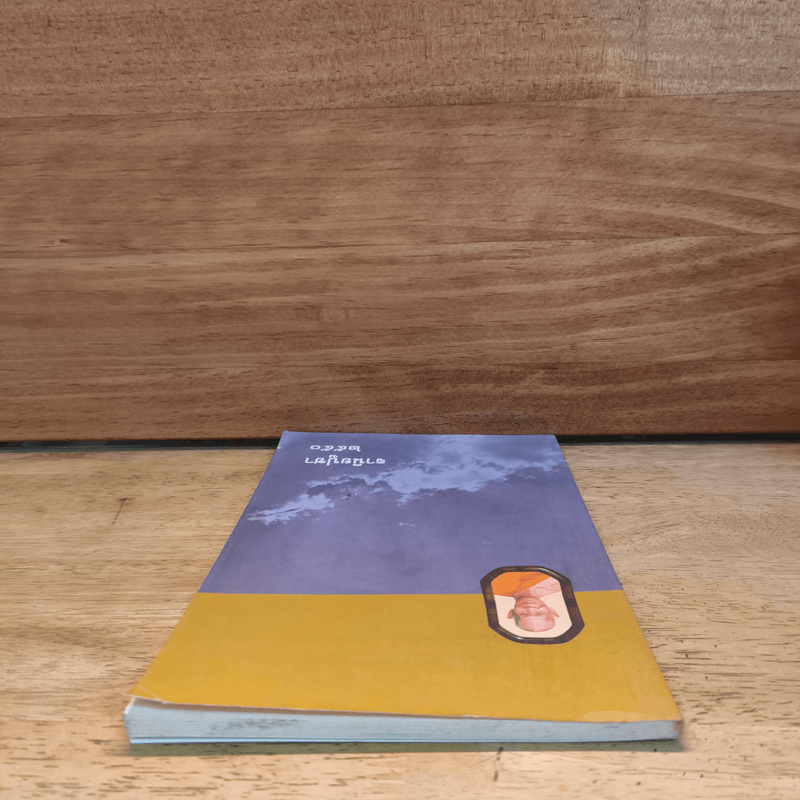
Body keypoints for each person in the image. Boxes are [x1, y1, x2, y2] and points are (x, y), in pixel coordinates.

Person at [490, 571, 561, 633]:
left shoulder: (495, 586)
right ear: (552, 611)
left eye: (523, 613)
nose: (530, 608)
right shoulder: (557, 584)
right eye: (540, 613)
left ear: (511, 613)